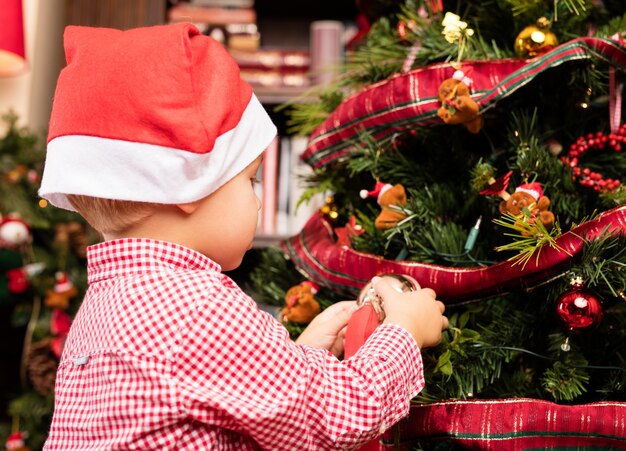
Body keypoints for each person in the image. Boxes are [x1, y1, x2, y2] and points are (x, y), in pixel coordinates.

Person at [39, 23, 448, 450]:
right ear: (187, 184)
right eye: (250, 180)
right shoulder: (198, 310)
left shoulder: (106, 307)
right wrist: (405, 329)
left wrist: (301, 354)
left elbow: (222, 407)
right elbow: (340, 415)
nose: (257, 202)